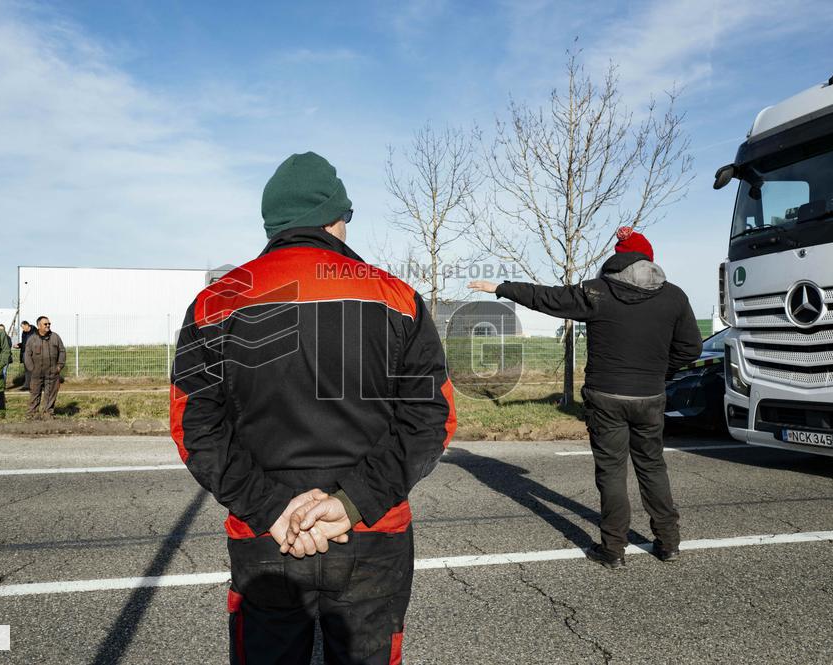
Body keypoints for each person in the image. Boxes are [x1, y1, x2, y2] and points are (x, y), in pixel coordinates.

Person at [171, 151, 456, 664]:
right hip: (371, 528)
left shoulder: (216, 303)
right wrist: (349, 503)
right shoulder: (397, 298)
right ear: (336, 219)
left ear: (273, 223)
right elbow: (431, 420)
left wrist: (270, 507)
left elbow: (195, 428)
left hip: (265, 533)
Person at [470, 227, 702, 568]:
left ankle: (613, 550)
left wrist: (501, 288)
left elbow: (547, 297)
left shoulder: (596, 291)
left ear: (617, 259)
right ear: (648, 260)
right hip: (650, 396)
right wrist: (660, 372)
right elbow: (691, 348)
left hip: (605, 396)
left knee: (611, 472)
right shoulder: (674, 296)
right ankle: (668, 543)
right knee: (652, 466)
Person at [23, 316, 65, 418]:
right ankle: (32, 414)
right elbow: (27, 355)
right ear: (39, 326)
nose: (48, 325)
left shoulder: (55, 337)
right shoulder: (32, 339)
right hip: (36, 372)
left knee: (50, 393)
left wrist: (59, 366)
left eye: (49, 324)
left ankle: (48, 413)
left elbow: (62, 351)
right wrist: (31, 369)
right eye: (45, 324)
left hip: (52, 371)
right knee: (35, 393)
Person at [16, 320, 36, 390]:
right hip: (25, 353)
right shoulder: (24, 333)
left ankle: (36, 385)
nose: (23, 329)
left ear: (27, 325)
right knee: (27, 370)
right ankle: (27, 385)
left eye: (23, 327)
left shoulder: (35, 332)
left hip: (34, 353)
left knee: (34, 369)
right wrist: (19, 345)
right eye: (22, 328)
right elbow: (24, 343)